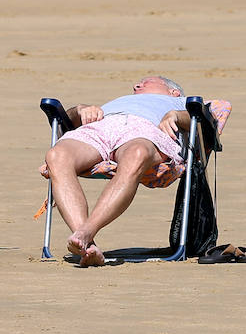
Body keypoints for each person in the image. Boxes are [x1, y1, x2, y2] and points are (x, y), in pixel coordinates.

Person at [38, 76, 192, 266]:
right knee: (57, 155)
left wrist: (175, 114)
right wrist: (80, 109)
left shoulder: (182, 103)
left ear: (173, 91)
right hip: (102, 126)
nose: (137, 85)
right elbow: (66, 121)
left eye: (147, 81)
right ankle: (87, 244)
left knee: (137, 153)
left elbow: (206, 119)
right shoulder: (119, 102)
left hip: (145, 130)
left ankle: (86, 233)